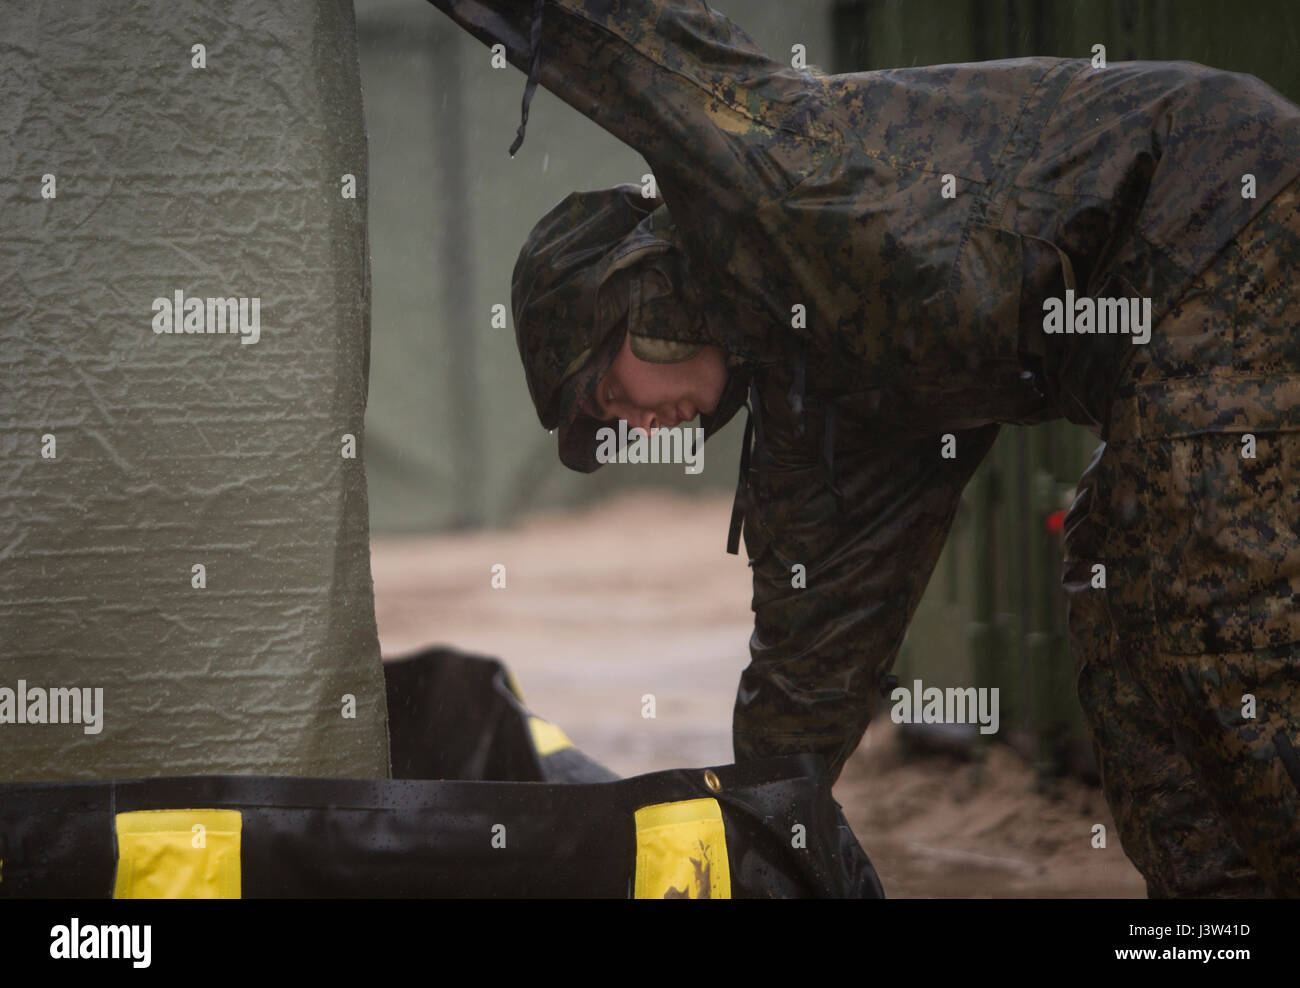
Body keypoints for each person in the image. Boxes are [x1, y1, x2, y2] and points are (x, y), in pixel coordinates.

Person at [429, 0, 1300, 896]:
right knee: (1121, 597)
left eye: (610, 396)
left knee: (1215, 613)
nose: (631, 428)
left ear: (638, 304)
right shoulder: (824, 395)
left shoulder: (766, 185)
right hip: (1168, 327)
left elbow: (632, 46)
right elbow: (811, 667)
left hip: (1231, 203)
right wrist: (749, 847)